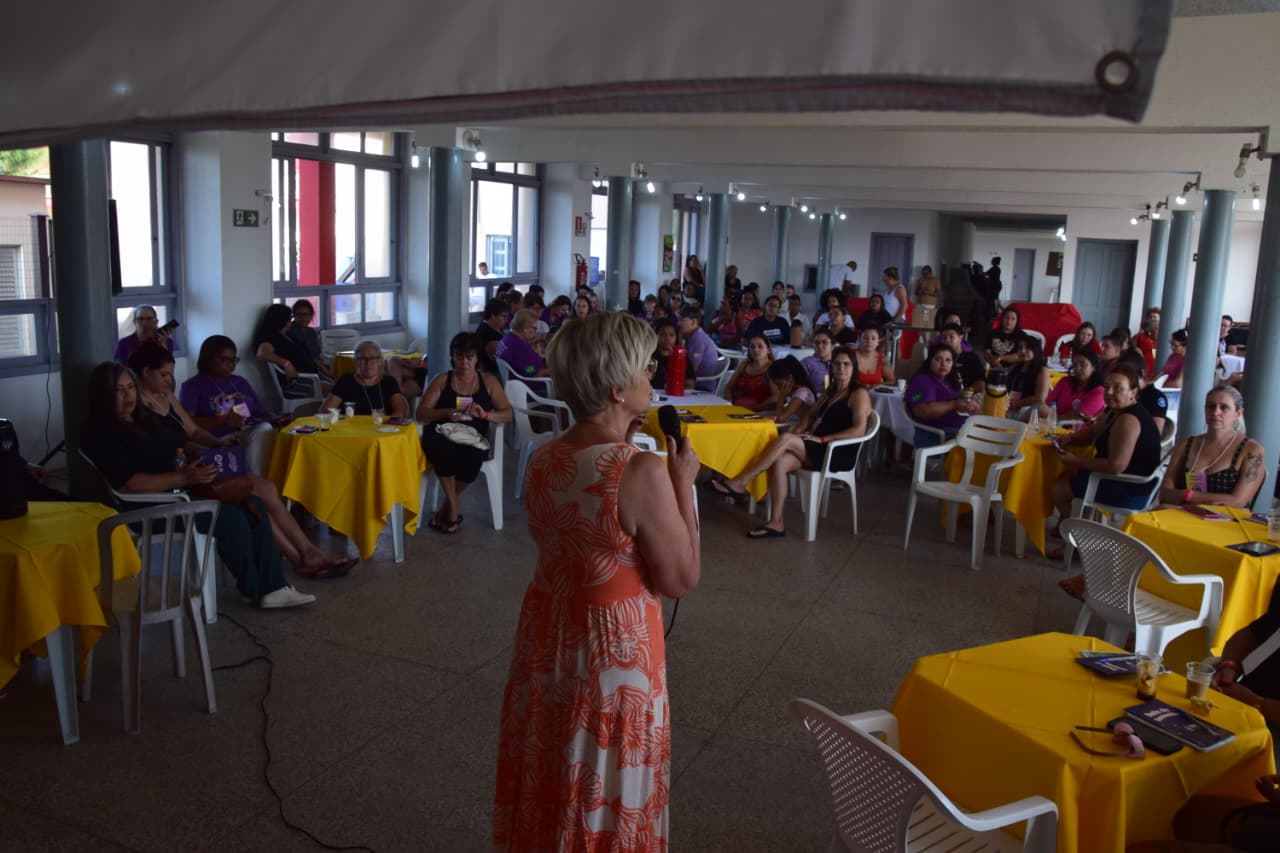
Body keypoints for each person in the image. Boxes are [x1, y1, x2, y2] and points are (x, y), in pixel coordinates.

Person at [493, 311, 698, 850]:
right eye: (645, 369)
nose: (652, 379)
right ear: (616, 388)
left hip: (551, 636)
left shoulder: (544, 459)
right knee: (605, 778)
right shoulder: (639, 470)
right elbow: (680, 577)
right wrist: (683, 484)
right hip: (613, 653)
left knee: (556, 762)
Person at [86, 361, 348, 597]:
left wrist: (206, 456)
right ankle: (262, 589)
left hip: (184, 490)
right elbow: (130, 484)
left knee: (254, 503)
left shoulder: (144, 419)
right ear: (103, 395)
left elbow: (182, 440)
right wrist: (183, 477)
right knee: (231, 518)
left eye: (130, 387)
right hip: (154, 507)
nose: (127, 395)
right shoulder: (103, 433)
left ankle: (274, 585)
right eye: (118, 390)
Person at [707, 346, 870, 538]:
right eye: (837, 364)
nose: (841, 368)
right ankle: (776, 522)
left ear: (854, 367)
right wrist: (797, 432)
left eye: (846, 364)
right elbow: (810, 416)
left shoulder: (858, 394)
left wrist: (823, 438)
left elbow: (859, 429)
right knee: (780, 461)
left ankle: (742, 482)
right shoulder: (831, 392)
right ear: (831, 367)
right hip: (816, 445)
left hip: (836, 451)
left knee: (784, 439)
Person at [1048, 363, 1163, 540]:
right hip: (1120, 478)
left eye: (1118, 388)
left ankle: (1078, 538)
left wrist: (1075, 460)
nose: (1109, 392)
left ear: (1133, 392)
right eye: (1107, 387)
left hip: (1131, 487)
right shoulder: (1114, 410)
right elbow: (1093, 432)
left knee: (1058, 489)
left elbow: (1115, 466)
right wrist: (1070, 439)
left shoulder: (1128, 419)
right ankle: (1077, 528)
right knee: (1069, 476)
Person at [415, 333, 512, 534]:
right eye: (459, 356)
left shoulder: (488, 381)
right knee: (442, 447)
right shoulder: (443, 379)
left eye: (469, 357)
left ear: (477, 358)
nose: (464, 362)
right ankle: (453, 506)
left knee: (474, 453)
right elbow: (422, 413)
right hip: (442, 432)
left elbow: (507, 414)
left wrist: (485, 415)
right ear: (452, 357)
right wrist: (446, 413)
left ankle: (447, 506)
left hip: (472, 436)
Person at [179, 335, 280, 475]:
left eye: (233, 360)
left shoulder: (240, 382)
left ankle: (257, 478)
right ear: (208, 359)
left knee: (266, 428)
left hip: (245, 432)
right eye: (224, 360)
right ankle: (255, 478)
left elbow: (260, 411)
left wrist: (277, 418)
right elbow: (188, 425)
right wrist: (222, 420)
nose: (230, 365)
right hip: (215, 438)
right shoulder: (193, 386)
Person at [1158, 386, 1266, 509]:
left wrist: (1187, 495)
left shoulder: (1251, 451)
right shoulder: (1186, 445)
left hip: (1223, 518)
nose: (1215, 412)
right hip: (1182, 513)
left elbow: (1237, 502)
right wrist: (1211, 500)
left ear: (1238, 413)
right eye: (1211, 406)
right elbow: (1164, 495)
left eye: (1224, 407)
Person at [906, 342, 980, 445]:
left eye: (948, 360)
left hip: (956, 431)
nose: (943, 364)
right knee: (984, 440)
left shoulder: (949, 381)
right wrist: (953, 405)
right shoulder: (923, 380)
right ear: (930, 361)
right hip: (935, 435)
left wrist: (970, 405)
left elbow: (957, 403)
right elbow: (923, 411)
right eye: (938, 359)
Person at [254, 303, 333, 396]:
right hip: (297, 382)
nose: (291, 322)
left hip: (312, 376)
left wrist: (321, 367)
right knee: (340, 391)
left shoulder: (287, 335)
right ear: (282, 321)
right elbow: (261, 353)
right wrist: (286, 363)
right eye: (290, 319)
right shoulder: (271, 338)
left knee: (343, 384)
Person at [321, 340, 408, 418]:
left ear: (379, 361)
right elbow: (326, 410)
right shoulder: (345, 381)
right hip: (350, 429)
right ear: (356, 361)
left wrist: (385, 426)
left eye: (373, 358)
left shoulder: (389, 382)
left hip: (383, 429)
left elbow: (399, 413)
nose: (368, 363)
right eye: (363, 359)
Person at [1043, 350, 1106, 423]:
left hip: (1075, 428)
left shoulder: (1099, 392)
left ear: (1094, 367)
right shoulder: (1065, 381)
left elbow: (1079, 416)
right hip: (1053, 423)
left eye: (1083, 364)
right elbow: (1048, 404)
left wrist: (1053, 420)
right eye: (1075, 364)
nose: (1077, 368)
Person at [495, 309, 550, 381]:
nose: (536, 331)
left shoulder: (508, 337)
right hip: (528, 383)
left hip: (513, 378)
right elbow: (533, 372)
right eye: (535, 328)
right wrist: (552, 370)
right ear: (525, 329)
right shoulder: (520, 349)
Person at [724, 335, 774, 410]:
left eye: (760, 346)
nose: (756, 350)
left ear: (768, 350)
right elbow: (728, 387)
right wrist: (729, 404)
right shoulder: (744, 365)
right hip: (735, 408)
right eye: (752, 347)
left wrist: (755, 409)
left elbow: (776, 397)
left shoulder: (772, 369)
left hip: (760, 411)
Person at [1007, 336, 1051, 419]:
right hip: (1011, 404)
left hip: (1029, 408)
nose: (1022, 351)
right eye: (1020, 348)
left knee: (1041, 408)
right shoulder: (1016, 366)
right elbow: (1003, 382)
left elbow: (1040, 398)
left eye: (1027, 348)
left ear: (1035, 350)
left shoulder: (1042, 370)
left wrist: (1017, 403)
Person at [677, 307, 720, 384]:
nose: (678, 323)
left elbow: (692, 370)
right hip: (695, 380)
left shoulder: (698, 339)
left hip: (701, 384)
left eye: (682, 320)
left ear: (693, 322)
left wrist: (679, 344)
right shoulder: (693, 335)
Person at [649, 318, 696, 389]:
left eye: (671, 335)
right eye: (662, 334)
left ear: (676, 337)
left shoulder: (682, 357)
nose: (667, 338)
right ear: (656, 336)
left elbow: (690, 384)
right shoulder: (649, 357)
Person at [285, 300, 330, 373]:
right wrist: (322, 368)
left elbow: (317, 354)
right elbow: (304, 356)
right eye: (299, 314)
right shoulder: (290, 332)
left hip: (318, 367)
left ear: (311, 316)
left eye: (306, 314)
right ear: (294, 316)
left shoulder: (311, 331)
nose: (303, 318)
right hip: (304, 370)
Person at [938, 323, 985, 392]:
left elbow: (981, 383)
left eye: (951, 337)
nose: (947, 340)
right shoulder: (938, 358)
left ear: (960, 338)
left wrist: (966, 391)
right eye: (944, 337)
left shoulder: (972, 358)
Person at [475, 298, 510, 374]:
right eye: (503, 317)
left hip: (506, 369)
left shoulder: (497, 327)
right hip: (497, 373)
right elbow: (506, 355)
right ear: (493, 315)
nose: (506, 320)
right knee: (529, 369)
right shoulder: (485, 332)